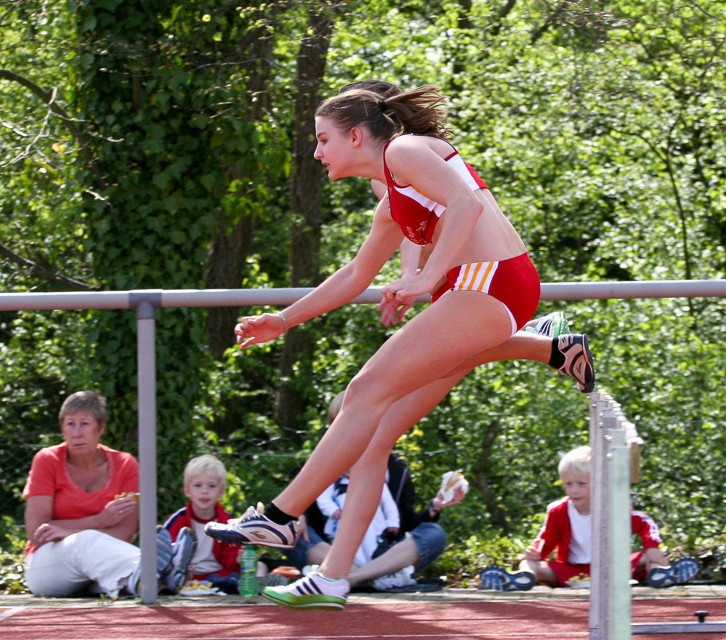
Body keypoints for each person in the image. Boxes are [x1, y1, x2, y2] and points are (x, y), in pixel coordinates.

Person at [206, 83, 594, 611]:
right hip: (474, 293)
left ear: (358, 135)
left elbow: (465, 205)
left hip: (489, 284)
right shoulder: (390, 196)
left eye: (323, 140)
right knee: (373, 432)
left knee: (361, 393)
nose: (317, 153)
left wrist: (425, 277)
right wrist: (284, 318)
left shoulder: (405, 150)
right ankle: (333, 577)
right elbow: (358, 273)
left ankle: (277, 516)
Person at [273, 391, 465, 592]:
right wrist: (298, 515)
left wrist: (435, 508)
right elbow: (299, 505)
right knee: (284, 527)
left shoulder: (397, 471)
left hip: (381, 551)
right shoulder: (323, 462)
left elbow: (405, 523)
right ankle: (364, 576)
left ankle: (350, 578)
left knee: (434, 534)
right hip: (329, 547)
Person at [22, 391, 196, 597]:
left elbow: (125, 534)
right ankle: (157, 567)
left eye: (85, 424)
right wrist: (99, 520)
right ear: (62, 428)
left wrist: (65, 529)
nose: (77, 433)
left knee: (119, 577)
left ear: (101, 428)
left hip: (98, 568)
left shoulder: (125, 464)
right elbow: (37, 533)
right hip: (47, 567)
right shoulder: (47, 460)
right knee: (84, 541)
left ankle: (156, 579)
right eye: (70, 424)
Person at [483, 446, 698, 590]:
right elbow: (546, 538)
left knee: (648, 556)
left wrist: (652, 546)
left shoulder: (614, 505)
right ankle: (520, 579)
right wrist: (536, 552)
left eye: (581, 484)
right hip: (573, 569)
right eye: (569, 484)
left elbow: (645, 523)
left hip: (613, 567)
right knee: (529, 562)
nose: (574, 490)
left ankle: (661, 574)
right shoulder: (558, 510)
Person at [161, 454, 241, 593]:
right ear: (187, 490)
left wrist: (238, 557)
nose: (204, 491)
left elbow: (231, 559)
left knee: (233, 578)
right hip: (186, 577)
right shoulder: (177, 519)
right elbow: (164, 550)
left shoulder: (228, 523)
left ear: (222, 492)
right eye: (198, 486)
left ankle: (261, 581)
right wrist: (181, 568)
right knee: (167, 581)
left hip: (217, 576)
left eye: (211, 486)